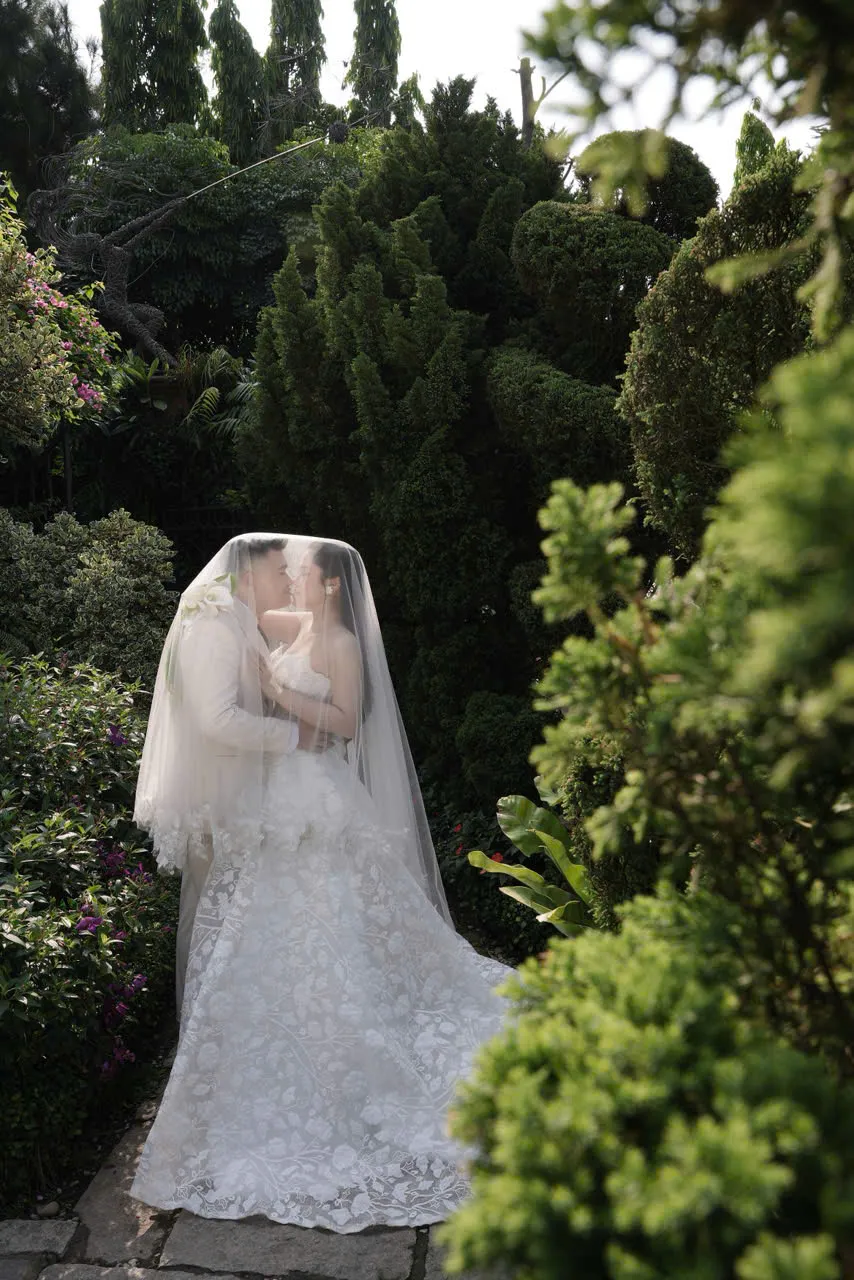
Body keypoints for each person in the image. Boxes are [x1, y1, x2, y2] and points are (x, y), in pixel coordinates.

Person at [129, 533, 515, 1233]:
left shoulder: (337, 639)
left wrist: (278, 692)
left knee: (327, 912)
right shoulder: (294, 623)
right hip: (277, 795)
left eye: (302, 572)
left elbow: (343, 721)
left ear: (332, 585)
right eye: (284, 570)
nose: (292, 578)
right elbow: (241, 612)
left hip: (315, 792)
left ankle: (345, 1028)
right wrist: (212, 609)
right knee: (265, 918)